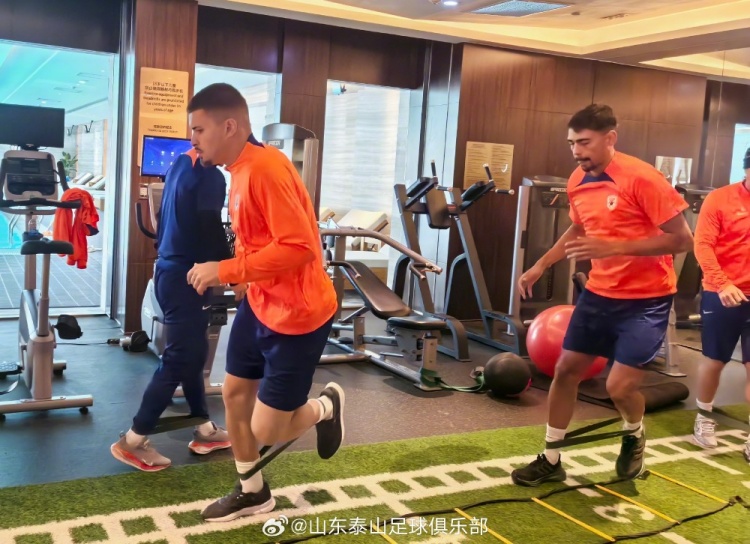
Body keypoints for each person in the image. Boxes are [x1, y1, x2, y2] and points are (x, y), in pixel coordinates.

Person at [511, 104, 694, 486]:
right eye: (572, 143)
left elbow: (682, 240)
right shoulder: (578, 180)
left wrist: (616, 247)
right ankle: (551, 458)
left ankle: (635, 433)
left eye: (585, 142)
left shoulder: (642, 178)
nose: (577, 151)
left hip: (646, 300)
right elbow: (579, 229)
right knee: (565, 370)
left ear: (610, 138)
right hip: (599, 295)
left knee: (619, 388)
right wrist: (541, 264)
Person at [185, 83, 343, 522]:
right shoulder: (238, 169)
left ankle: (326, 407)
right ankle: (253, 491)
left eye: (198, 130)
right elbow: (259, 238)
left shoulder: (265, 169)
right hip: (259, 303)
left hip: (298, 315)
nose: (193, 141)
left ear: (229, 126)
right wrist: (243, 276)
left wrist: (226, 269)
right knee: (234, 395)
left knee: (267, 429)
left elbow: (299, 247)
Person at [110, 147, 237, 471]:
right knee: (181, 357)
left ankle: (205, 429)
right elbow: (210, 225)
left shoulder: (181, 164)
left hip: (169, 272)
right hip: (187, 277)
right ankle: (133, 440)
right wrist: (235, 273)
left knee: (194, 353)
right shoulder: (211, 175)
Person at [691, 147, 750, 462]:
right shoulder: (720, 199)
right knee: (715, 361)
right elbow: (702, 244)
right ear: (746, 169)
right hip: (722, 291)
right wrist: (722, 283)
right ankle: (703, 416)